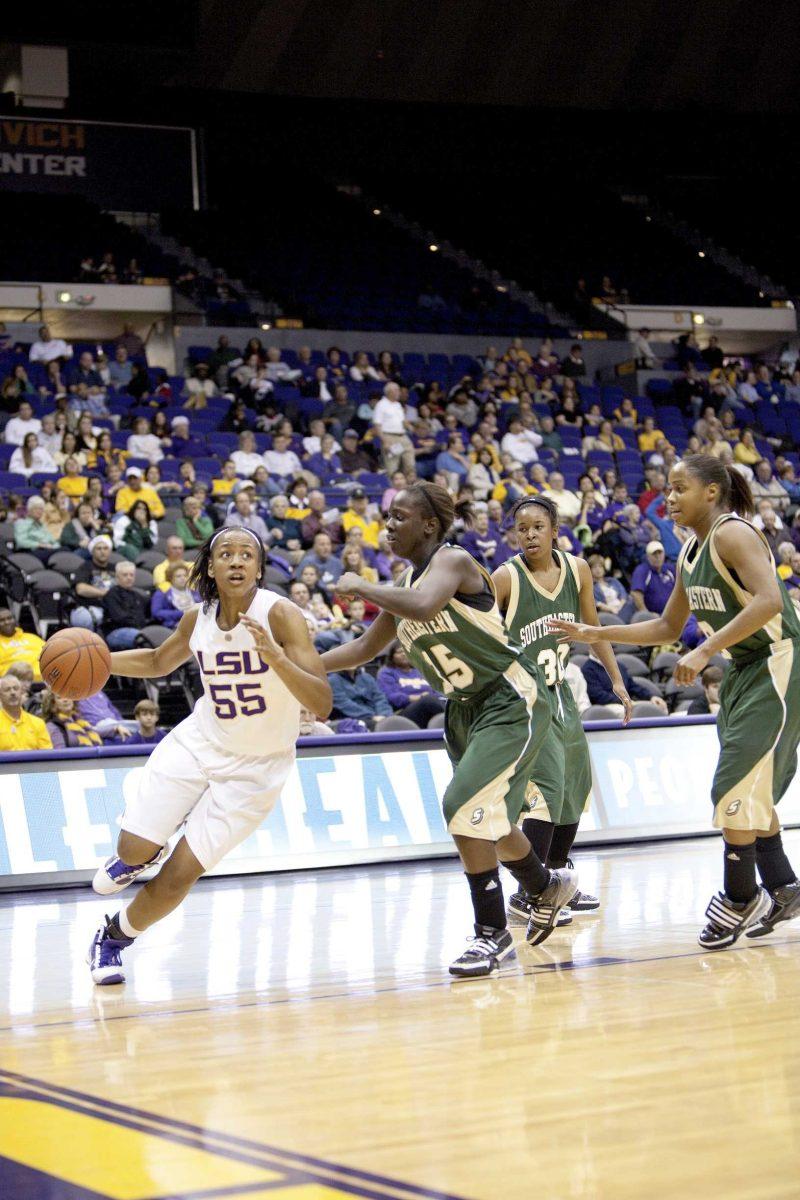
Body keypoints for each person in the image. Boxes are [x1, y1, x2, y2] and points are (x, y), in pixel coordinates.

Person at [322, 481, 577, 979]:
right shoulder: (407, 578)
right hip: (463, 710)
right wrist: (294, 664)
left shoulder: (454, 561)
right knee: (490, 821)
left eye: (399, 517)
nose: (389, 525)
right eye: (388, 517)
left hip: (508, 697)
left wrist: (361, 586)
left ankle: (491, 934)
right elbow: (360, 650)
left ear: (430, 525)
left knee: (461, 806)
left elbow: (420, 607)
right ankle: (545, 887)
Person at [552, 454, 800, 948]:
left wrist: (706, 647)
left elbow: (770, 599)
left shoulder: (734, 533)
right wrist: (596, 630)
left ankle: (740, 895)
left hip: (779, 663)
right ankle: (785, 887)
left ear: (712, 491)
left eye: (679, 488)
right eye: (666, 489)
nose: (669, 497)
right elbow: (666, 627)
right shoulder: (690, 552)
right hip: (745, 671)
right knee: (749, 787)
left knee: (733, 785)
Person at [88, 527, 332, 985]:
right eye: (226, 554)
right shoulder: (195, 619)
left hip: (257, 770)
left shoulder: (281, 615)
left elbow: (321, 702)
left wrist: (275, 658)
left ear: (259, 568)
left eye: (246, 555)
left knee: (180, 877)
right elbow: (160, 662)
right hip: (199, 742)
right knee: (131, 849)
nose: (237, 562)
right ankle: (142, 853)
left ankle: (113, 938)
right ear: (212, 566)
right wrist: (100, 660)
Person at [492, 497, 631, 924]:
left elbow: (593, 629)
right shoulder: (505, 578)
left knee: (575, 786)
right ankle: (528, 894)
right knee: (548, 789)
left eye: (538, 526)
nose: (529, 534)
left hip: (560, 692)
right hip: (524, 699)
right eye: (522, 528)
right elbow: (477, 629)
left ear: (555, 529)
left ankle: (555, 882)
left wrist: (617, 679)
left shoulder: (578, 570)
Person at [377, 640, 446, 727]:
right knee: (428, 701)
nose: (403, 654)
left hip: (432, 705)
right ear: (392, 656)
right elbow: (391, 697)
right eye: (399, 652)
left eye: (406, 651)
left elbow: (437, 690)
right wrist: (418, 697)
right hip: (403, 712)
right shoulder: (386, 672)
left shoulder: (421, 670)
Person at [103, 561, 151, 649]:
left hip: (138, 630)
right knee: (143, 639)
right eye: (125, 575)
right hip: (115, 632)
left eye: (131, 575)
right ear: (117, 577)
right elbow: (119, 617)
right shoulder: (111, 595)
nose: (129, 578)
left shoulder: (138, 596)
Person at [71, 535, 116, 630]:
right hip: (90, 606)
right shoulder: (85, 567)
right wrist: (106, 593)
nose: (102, 551)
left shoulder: (115, 568)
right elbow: (81, 589)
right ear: (92, 551)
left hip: (113, 607)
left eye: (105, 548)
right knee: (90, 618)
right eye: (98, 549)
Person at [0, 672, 52, 751]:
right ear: (0, 695)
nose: (12, 693)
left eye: (16, 688)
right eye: (7, 690)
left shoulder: (38, 723)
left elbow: (48, 755)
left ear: (21, 692)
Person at [0, 608, 46, 680]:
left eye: (9, 618)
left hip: (45, 680)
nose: (7, 622)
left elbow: (51, 654)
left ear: (15, 619)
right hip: (15, 685)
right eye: (2, 620)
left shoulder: (33, 638)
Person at [630, 541, 676, 613]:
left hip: (675, 612)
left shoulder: (670, 569)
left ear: (664, 554)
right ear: (648, 557)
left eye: (660, 553)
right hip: (657, 616)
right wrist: (647, 614)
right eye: (654, 554)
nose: (657, 557)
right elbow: (636, 594)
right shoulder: (642, 571)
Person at [151, 563, 199, 628]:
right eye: (178, 576)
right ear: (170, 578)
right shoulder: (162, 593)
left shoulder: (195, 592)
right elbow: (157, 613)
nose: (183, 578)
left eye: (185, 575)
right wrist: (182, 613)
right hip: (173, 627)